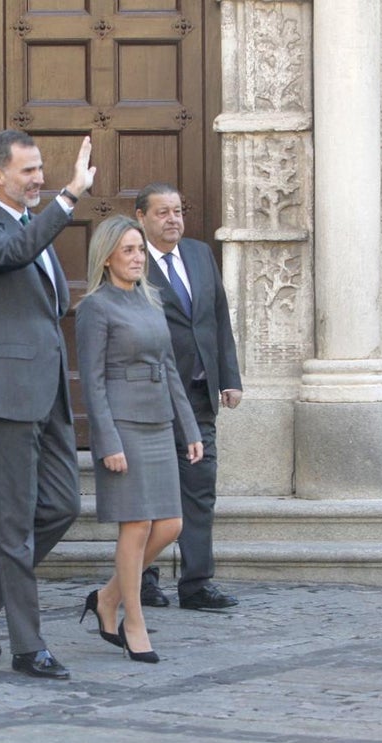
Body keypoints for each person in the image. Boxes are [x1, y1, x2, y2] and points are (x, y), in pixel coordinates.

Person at [0, 130, 94, 680]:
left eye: (41, 169)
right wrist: (70, 197)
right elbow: (11, 256)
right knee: (13, 526)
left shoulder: (33, 226)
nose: (39, 178)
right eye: (27, 171)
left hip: (47, 392)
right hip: (4, 393)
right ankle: (28, 647)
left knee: (61, 505)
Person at [75, 216, 203, 663]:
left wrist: (189, 429)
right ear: (107, 256)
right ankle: (134, 620)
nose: (136, 258)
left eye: (140, 250)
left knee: (170, 525)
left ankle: (107, 597)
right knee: (135, 527)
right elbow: (91, 382)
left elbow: (169, 368)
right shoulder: (95, 306)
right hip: (123, 426)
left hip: (159, 423)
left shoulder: (151, 300)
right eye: (127, 250)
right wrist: (106, 441)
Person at [136, 183, 242, 610]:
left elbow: (218, 318)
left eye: (177, 211)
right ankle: (143, 579)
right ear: (141, 217)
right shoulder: (132, 259)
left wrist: (228, 377)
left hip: (198, 396)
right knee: (150, 494)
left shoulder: (199, 254)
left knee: (200, 490)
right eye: (162, 213)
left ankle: (197, 583)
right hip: (153, 399)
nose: (173, 219)